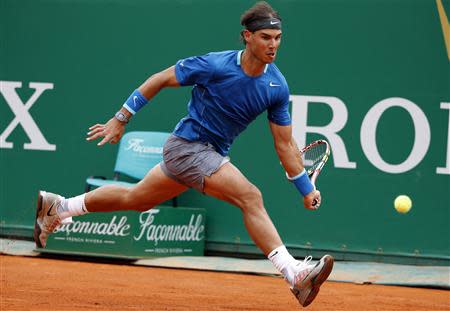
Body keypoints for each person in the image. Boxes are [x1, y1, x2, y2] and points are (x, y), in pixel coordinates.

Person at [34, 1, 334, 307]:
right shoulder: (215, 65)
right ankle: (294, 273)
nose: (273, 44)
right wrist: (121, 118)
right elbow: (161, 79)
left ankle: (59, 207)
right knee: (250, 197)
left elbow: (284, 145)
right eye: (265, 37)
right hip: (187, 147)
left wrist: (305, 188)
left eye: (278, 38)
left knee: (135, 199)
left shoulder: (276, 86)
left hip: (207, 154)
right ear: (247, 36)